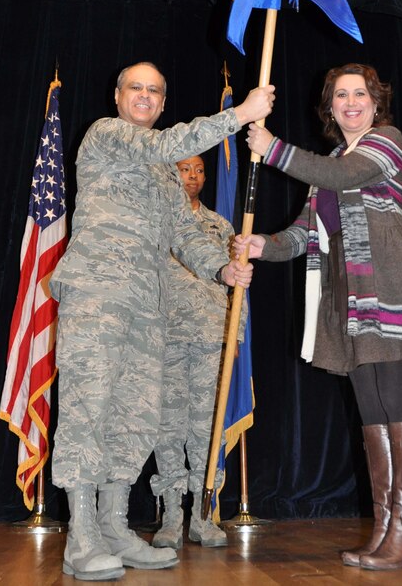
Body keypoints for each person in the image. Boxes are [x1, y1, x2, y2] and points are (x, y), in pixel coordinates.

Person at [50, 62, 274, 581]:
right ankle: (81, 536)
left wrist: (221, 266)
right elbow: (163, 146)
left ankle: (113, 526)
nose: (145, 97)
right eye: (137, 88)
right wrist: (239, 114)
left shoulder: (164, 176)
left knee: (136, 416)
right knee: (90, 407)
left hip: (149, 309)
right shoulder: (108, 135)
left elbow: (186, 234)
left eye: (155, 90)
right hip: (98, 296)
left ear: (163, 101)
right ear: (119, 94)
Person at [235, 63, 402, 572]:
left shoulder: (386, 142)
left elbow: (343, 176)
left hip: (391, 286)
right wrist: (264, 245)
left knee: (397, 401)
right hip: (350, 299)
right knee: (371, 410)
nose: (351, 102)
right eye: (341, 95)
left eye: (360, 94)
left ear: (375, 102)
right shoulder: (326, 159)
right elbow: (305, 232)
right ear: (329, 108)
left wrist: (273, 147)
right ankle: (389, 532)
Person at [151, 155, 247, 550]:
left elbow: (237, 287)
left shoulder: (220, 226)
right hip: (166, 337)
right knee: (168, 426)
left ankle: (204, 515)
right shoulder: (157, 218)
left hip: (210, 339)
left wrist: (235, 336)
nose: (192, 176)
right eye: (184, 169)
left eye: (199, 170)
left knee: (207, 427)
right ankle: (172, 515)